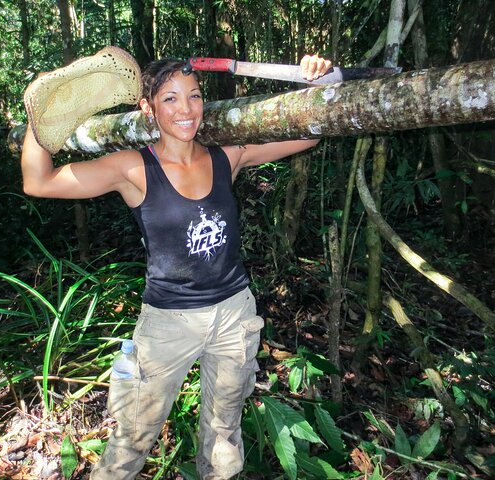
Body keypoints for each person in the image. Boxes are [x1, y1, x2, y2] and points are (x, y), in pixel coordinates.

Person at [20, 51, 332, 480]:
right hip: (167, 323)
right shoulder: (133, 167)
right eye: (170, 99)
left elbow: (310, 134)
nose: (186, 110)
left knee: (224, 435)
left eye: (194, 96)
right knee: (133, 436)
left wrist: (316, 80)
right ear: (147, 108)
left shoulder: (229, 156)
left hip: (233, 315)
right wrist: (45, 119)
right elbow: (38, 182)